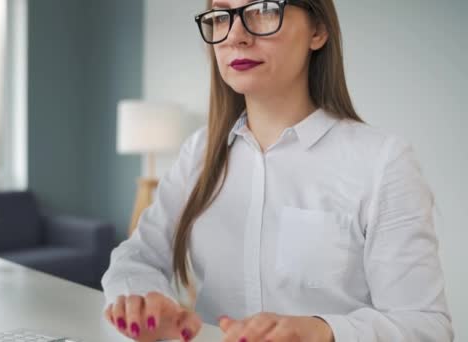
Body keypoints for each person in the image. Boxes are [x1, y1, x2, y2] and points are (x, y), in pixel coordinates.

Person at [101, 0, 454, 341]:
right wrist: (144, 300)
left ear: (318, 30)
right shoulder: (199, 152)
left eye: (264, 10)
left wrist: (323, 331)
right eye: (221, 17)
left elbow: (425, 326)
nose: (235, 36)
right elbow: (137, 257)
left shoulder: (382, 162)